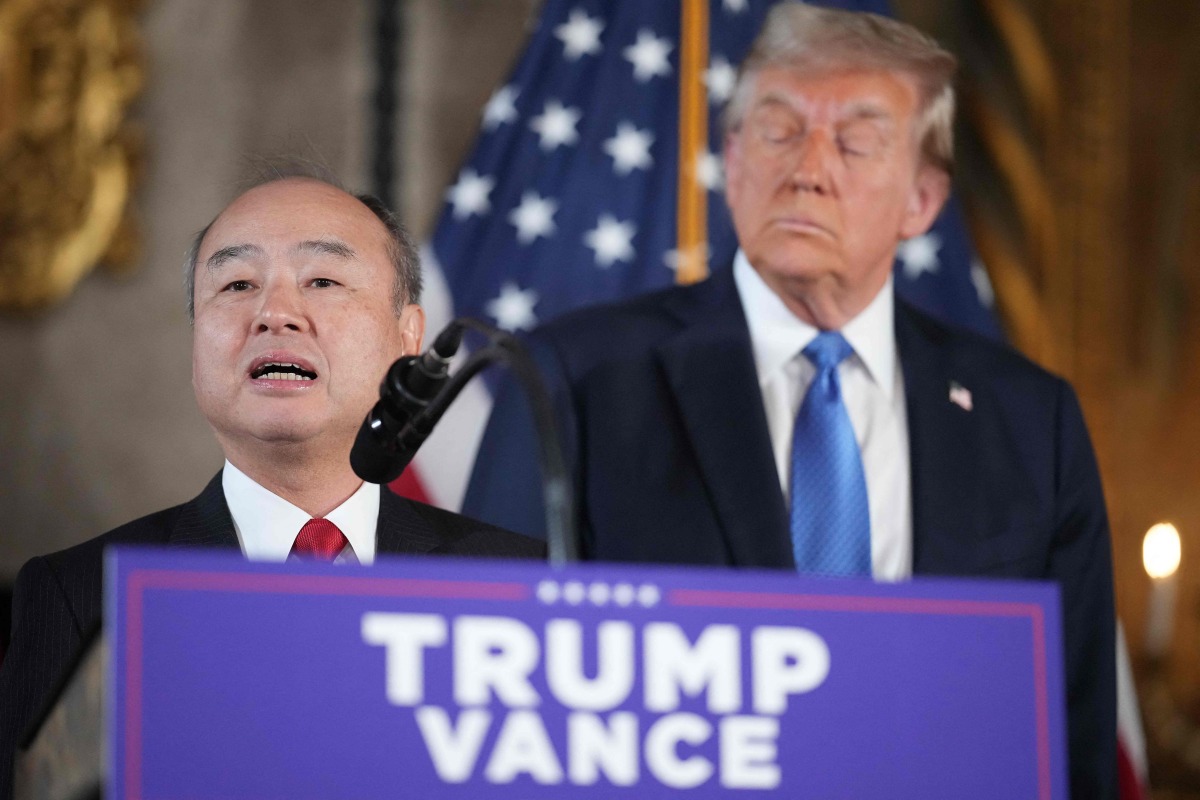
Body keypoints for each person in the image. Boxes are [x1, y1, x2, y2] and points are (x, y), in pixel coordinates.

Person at [463, 4, 1115, 798]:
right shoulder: (573, 378)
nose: (809, 167)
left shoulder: (1029, 420)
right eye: (777, 130)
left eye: (857, 140)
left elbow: (1072, 736)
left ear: (923, 200)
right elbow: (492, 685)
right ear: (732, 162)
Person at [0, 166, 544, 797]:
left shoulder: (513, 586)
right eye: (236, 283)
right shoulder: (83, 595)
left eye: (322, 279)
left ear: (409, 339)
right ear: (196, 341)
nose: (275, 313)